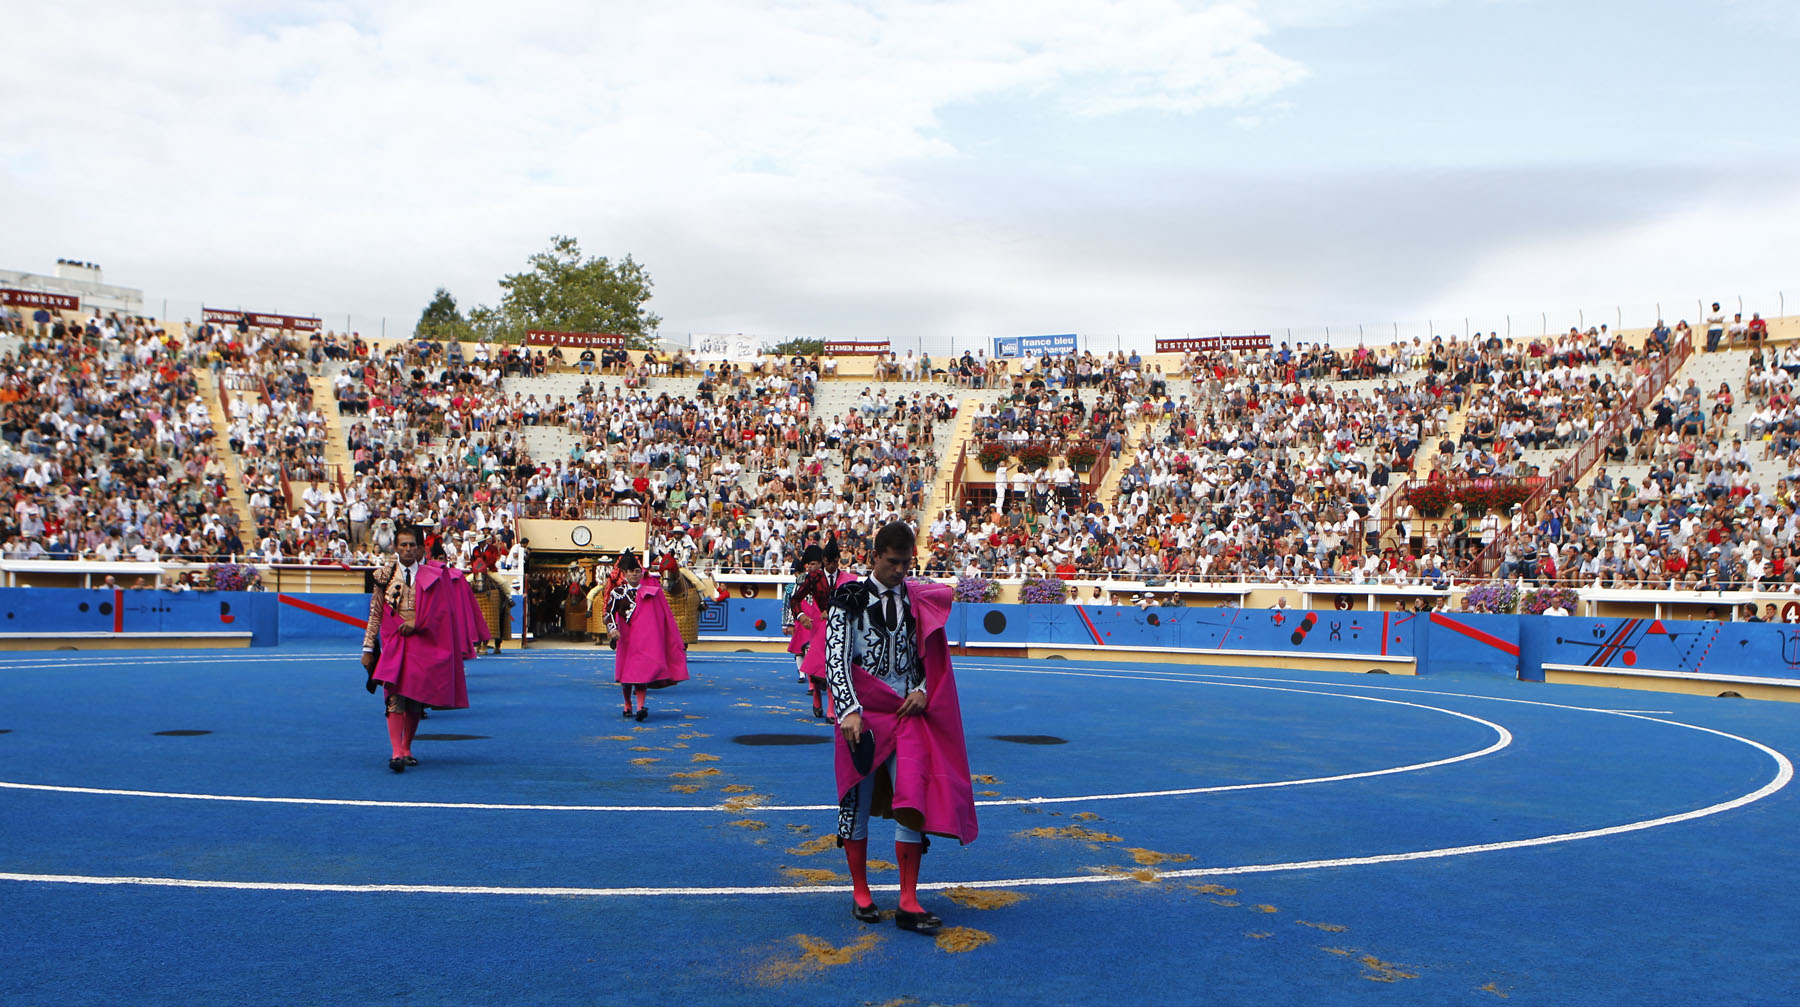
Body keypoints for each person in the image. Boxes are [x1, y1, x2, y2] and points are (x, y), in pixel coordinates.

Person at [825, 521, 978, 935]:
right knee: (854, 805)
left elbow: (930, 658)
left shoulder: (916, 597)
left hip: (905, 714)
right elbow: (834, 658)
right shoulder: (849, 596)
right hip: (862, 713)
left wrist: (925, 690)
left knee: (911, 799)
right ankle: (861, 893)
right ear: (875, 556)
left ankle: (907, 900)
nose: (900, 571)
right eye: (893, 563)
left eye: (906, 563)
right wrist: (849, 710)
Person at [362, 525, 489, 773]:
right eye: (403, 545)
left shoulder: (437, 576)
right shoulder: (383, 575)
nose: (408, 549)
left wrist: (417, 622)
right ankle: (396, 751)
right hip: (394, 641)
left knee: (415, 698)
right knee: (394, 694)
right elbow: (375, 613)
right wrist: (368, 647)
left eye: (412, 545)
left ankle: (406, 747)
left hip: (424, 642)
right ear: (395, 547)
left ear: (420, 549)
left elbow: (443, 612)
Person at [604, 550, 688, 720]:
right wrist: (612, 629)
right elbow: (609, 613)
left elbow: (663, 616)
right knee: (627, 676)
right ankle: (628, 704)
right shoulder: (617, 592)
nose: (634, 575)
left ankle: (641, 706)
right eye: (631, 572)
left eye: (637, 572)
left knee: (641, 675)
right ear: (625, 574)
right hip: (626, 638)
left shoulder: (653, 591)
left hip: (644, 640)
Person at [787, 544, 833, 717]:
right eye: (808, 564)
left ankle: (825, 702)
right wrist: (795, 618)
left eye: (814, 563)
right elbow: (792, 599)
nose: (811, 567)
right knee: (810, 655)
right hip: (810, 621)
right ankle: (814, 690)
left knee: (830, 661)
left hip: (827, 621)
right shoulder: (806, 579)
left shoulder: (833, 577)